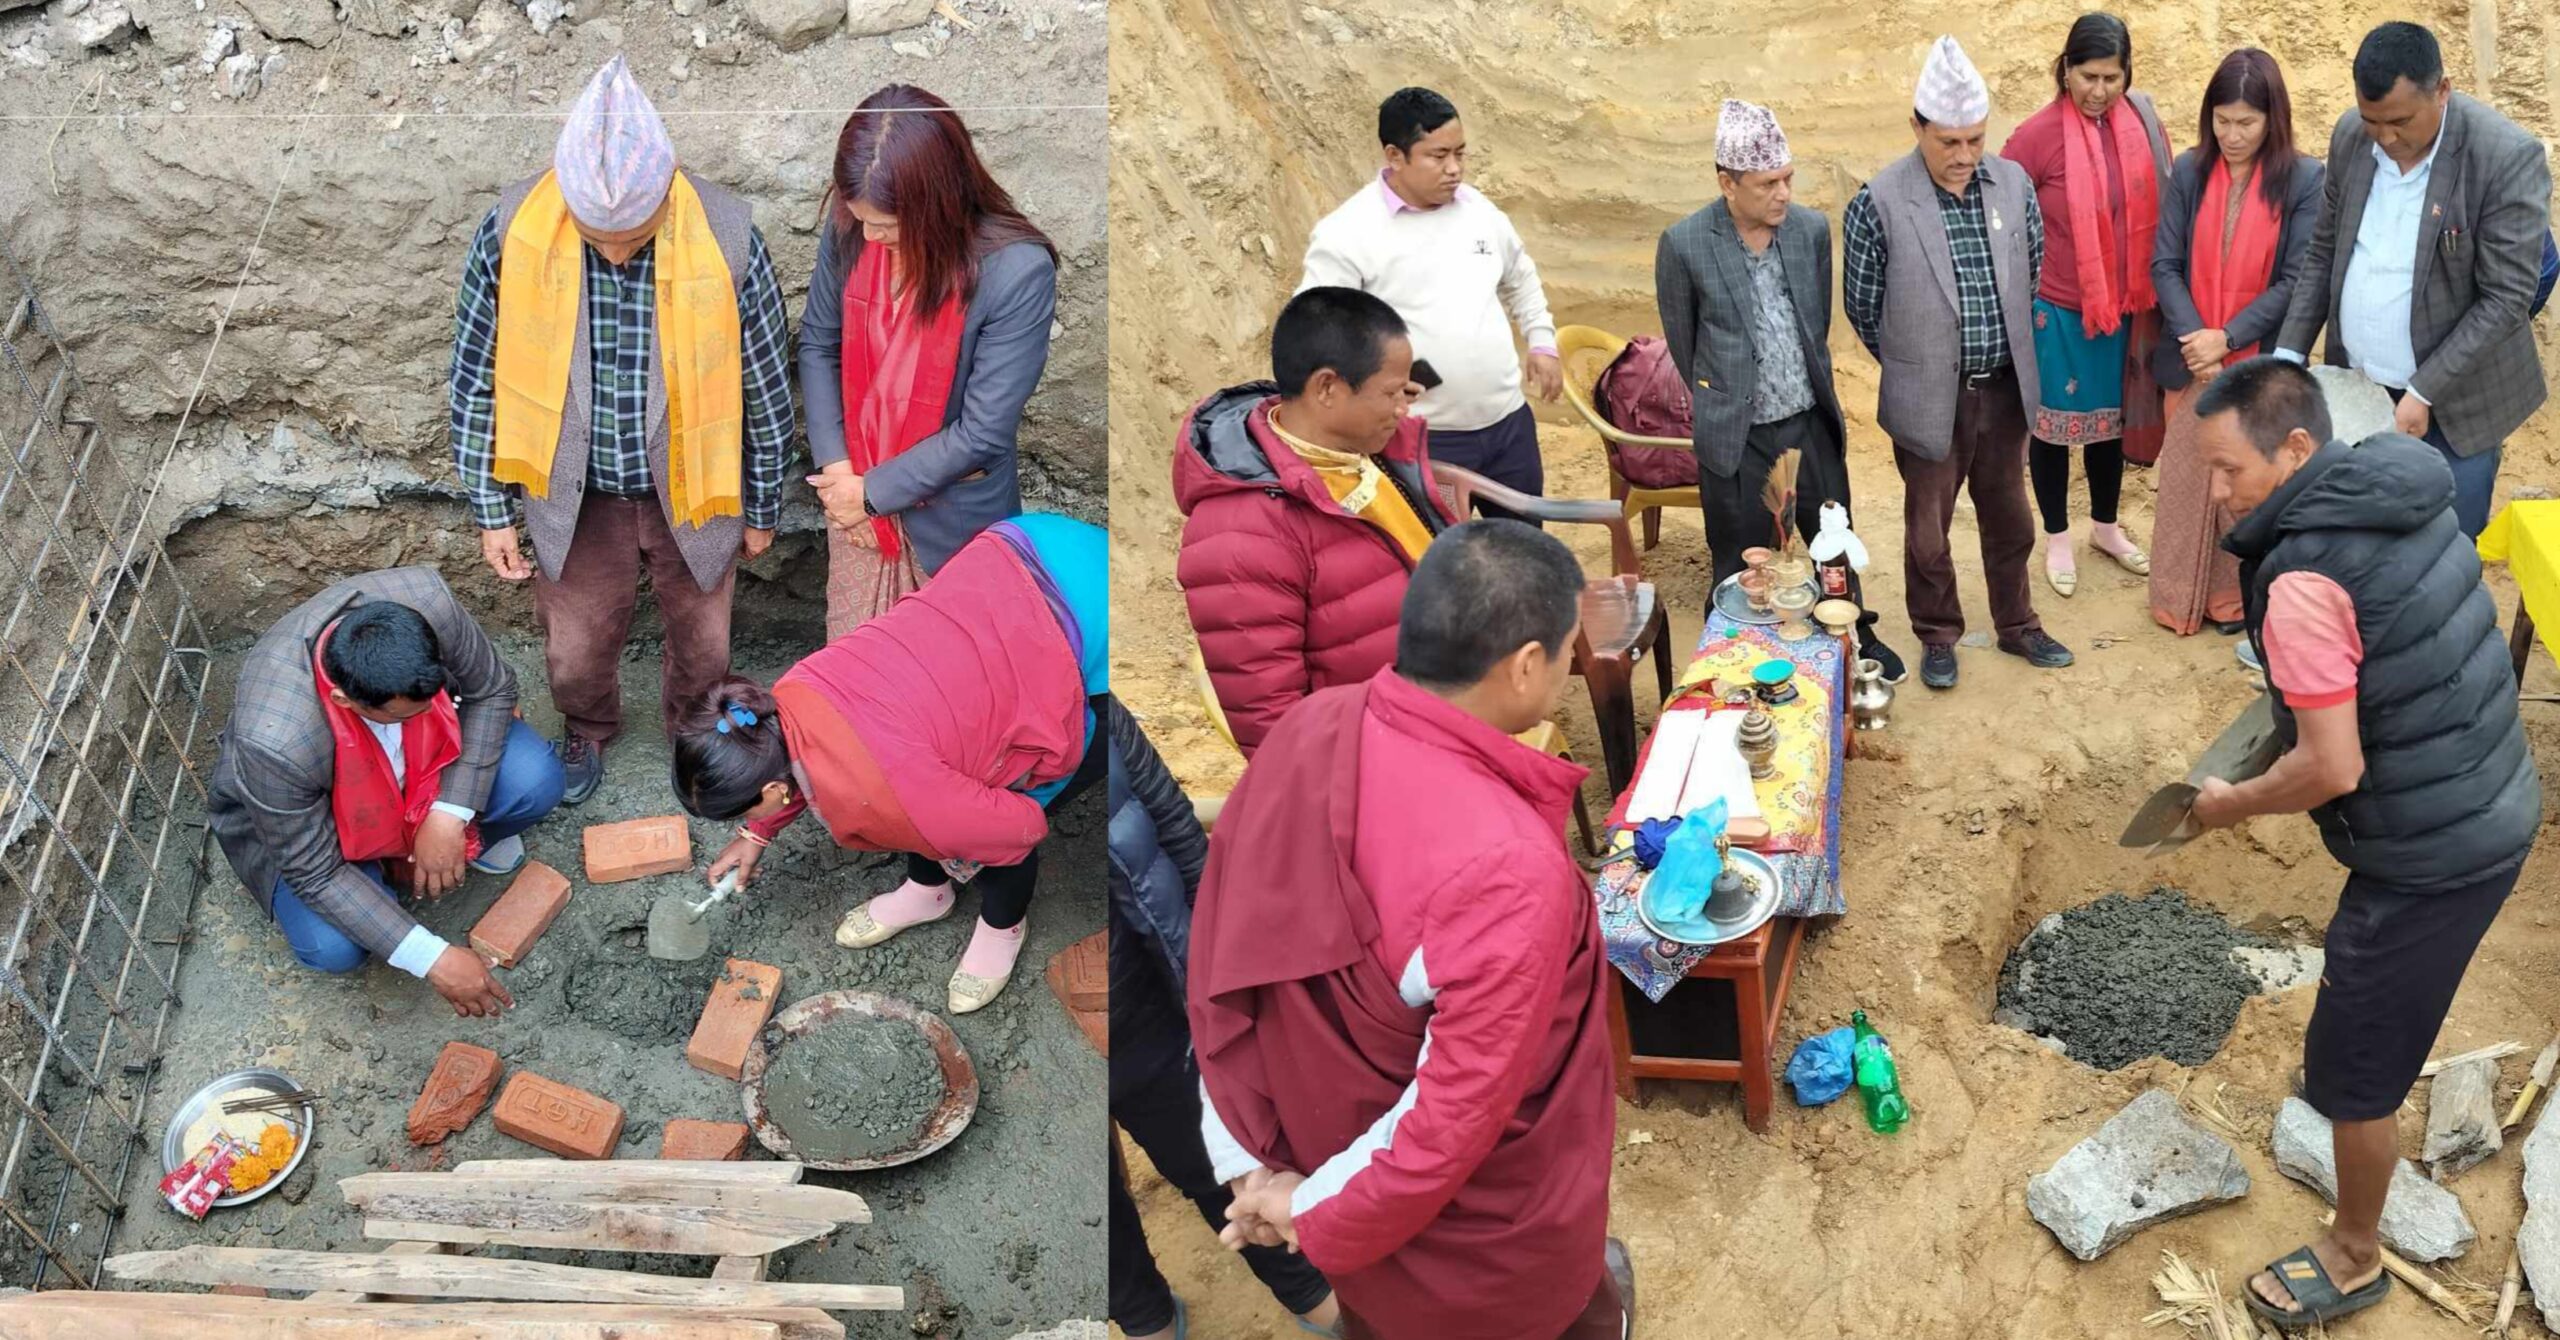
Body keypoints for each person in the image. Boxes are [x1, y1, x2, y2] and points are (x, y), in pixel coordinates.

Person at [1189, 520, 1631, 1340]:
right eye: (1569, 648)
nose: (1571, 666)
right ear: (1525, 665)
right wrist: (1310, 1210)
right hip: (1483, 1235)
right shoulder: (1505, 867)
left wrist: (1253, 1164)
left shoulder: (1310, 729)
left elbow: (1224, 955)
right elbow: (1452, 1115)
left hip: (1328, 1161)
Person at [2181, 357, 2539, 1330]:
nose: (2215, 493)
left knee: (2355, 1069)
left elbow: (2330, 764)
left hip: (2434, 852)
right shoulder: (2399, 482)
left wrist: (2231, 803)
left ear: (2297, 446)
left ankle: (2352, 1252)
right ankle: (2360, 1081)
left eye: (2227, 469)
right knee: (2369, 1030)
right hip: (2488, 787)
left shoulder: (2302, 579)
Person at [448, 55, 794, 804]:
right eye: (595, 238)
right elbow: (475, 376)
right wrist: (490, 509)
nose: (613, 253)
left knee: (704, 642)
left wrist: (763, 504)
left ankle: (695, 733)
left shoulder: (729, 237)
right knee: (574, 647)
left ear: (666, 194)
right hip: (574, 492)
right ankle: (588, 724)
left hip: (697, 490)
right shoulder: (513, 232)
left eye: (633, 236)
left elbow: (765, 382)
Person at [673, 515, 1104, 1013]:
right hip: (1025, 553)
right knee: (927, 814)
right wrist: (757, 833)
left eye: (745, 812)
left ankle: (1002, 926)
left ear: (770, 791)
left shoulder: (892, 795)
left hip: (1090, 618)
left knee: (994, 820)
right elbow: (791, 763)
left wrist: (977, 827)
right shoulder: (789, 694)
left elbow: (1020, 829)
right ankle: (928, 891)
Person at [206, 568, 568, 1018]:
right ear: (345, 701)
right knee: (333, 947)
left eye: (430, 705)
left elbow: (492, 691)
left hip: (423, 772)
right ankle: (384, 878)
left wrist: (449, 814)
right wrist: (432, 957)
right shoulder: (278, 744)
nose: (423, 716)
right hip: (329, 823)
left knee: (534, 780)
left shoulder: (428, 604)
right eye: (402, 717)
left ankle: (446, 848)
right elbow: (315, 872)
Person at [1106, 695, 1341, 1340]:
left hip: (1144, 997)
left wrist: (1223, 979)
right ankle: (1145, 1319)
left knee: (1214, 1153)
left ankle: (1311, 1295)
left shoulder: (1086, 691)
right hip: (1047, 1002)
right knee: (1080, 1188)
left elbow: (1176, 834)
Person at [1844, 35, 2074, 690]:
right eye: (1949, 141)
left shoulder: (2013, 185)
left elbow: (2029, 273)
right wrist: (1921, 361)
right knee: (1928, 530)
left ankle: (2017, 623)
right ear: (1917, 127)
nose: (1965, 155)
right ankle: (1938, 634)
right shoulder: (1879, 202)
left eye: (1975, 139)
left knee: (2011, 518)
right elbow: (1863, 307)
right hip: (1928, 398)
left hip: (2002, 391)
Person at [798, 85, 1059, 639]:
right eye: (861, 218)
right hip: (851, 503)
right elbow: (819, 344)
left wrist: (872, 494)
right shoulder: (852, 229)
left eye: (888, 226)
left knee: (955, 668)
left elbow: (983, 430)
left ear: (937, 206)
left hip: (949, 521)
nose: (871, 236)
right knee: (859, 665)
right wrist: (840, 475)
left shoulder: (1016, 272)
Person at [2274, 20, 2551, 539]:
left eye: (2400, 121)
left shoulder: (2503, 156)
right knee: (2359, 541)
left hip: (2454, 406)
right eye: (2372, 120)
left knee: (2442, 546)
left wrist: (2423, 391)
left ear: (2442, 91)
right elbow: (2324, 252)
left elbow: (2506, 298)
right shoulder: (2350, 137)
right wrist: (2288, 357)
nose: (2385, 137)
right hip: (2360, 392)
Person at [1657, 98, 1902, 682]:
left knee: (1832, 541)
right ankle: (1741, 661)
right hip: (1737, 435)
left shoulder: (1809, 231)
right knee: (1741, 560)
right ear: (1728, 183)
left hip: (1807, 422)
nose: (1783, 194)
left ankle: (1854, 638)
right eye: (1768, 184)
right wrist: (1731, 398)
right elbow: (1684, 344)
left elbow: (1813, 327)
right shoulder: (1685, 244)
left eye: (1788, 178)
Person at [1174, 287, 1460, 756]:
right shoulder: (1243, 533)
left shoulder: (1364, 450)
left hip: (1437, 706)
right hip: (1379, 752)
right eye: (1391, 393)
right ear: (1327, 388)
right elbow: (1275, 731)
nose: (1403, 408)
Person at [1299, 87, 1560, 519]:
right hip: (1421, 438)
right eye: (1438, 156)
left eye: (1460, 153)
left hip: (1508, 425)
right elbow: (1317, 327)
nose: (1454, 169)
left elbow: (1520, 278)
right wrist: (1368, 384)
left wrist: (1542, 341)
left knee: (1522, 546)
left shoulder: (1480, 212)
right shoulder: (1348, 233)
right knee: (1434, 552)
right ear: (1395, 156)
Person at [2147, 49, 2323, 638]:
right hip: (2191, 355)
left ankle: (2233, 599)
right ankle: (2176, 597)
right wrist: (2197, 339)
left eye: (2246, 122)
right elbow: (2165, 263)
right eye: (2222, 120)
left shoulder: (2303, 180)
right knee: (2186, 484)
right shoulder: (2190, 170)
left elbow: (2296, 280)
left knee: (2246, 487)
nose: (2232, 135)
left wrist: (2226, 339)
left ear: (2273, 119)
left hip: (2257, 359)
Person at [1999, 13, 2173, 597]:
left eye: (2111, 78)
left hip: (2122, 308)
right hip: (2056, 311)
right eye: (2088, 76)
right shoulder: (2036, 136)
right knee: (2051, 430)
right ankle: (2056, 537)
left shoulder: (2141, 126)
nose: (2099, 91)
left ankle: (2105, 527)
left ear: (2127, 76)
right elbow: (2003, 213)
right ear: (2065, 70)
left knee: (2108, 426)